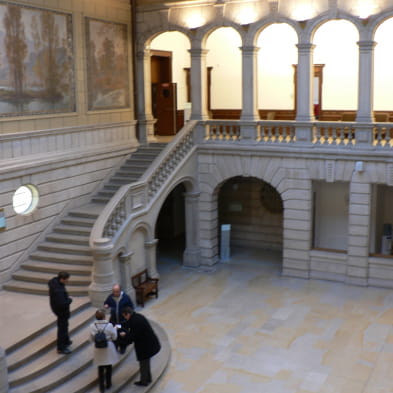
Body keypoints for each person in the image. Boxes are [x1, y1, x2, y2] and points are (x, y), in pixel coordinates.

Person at [120, 307, 161, 386]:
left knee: (144, 364)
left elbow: (132, 337)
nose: (125, 318)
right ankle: (148, 378)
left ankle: (144, 381)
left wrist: (124, 336)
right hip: (148, 343)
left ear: (128, 314)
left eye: (125, 316)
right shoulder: (137, 316)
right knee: (146, 363)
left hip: (145, 346)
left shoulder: (135, 322)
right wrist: (120, 326)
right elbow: (128, 324)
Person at [90, 309, 119, 393]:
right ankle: (108, 384)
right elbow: (115, 337)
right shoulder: (109, 325)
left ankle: (101, 387)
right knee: (108, 366)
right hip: (108, 347)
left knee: (100, 367)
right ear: (104, 316)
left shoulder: (92, 326)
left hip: (98, 348)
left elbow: (91, 339)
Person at [104, 284, 134, 353]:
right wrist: (106, 305)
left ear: (120, 291)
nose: (115, 293)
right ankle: (116, 345)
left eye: (117, 291)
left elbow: (131, 307)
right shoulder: (111, 297)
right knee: (114, 334)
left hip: (123, 321)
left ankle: (123, 347)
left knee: (123, 335)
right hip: (114, 321)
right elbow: (106, 302)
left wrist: (127, 315)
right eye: (114, 291)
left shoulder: (126, 297)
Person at [48, 271, 73, 354]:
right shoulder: (58, 291)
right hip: (61, 311)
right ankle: (61, 348)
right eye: (66, 280)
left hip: (57, 309)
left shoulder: (54, 282)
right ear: (62, 279)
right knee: (62, 329)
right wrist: (69, 300)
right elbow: (63, 303)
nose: (67, 282)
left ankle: (66, 341)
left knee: (64, 326)